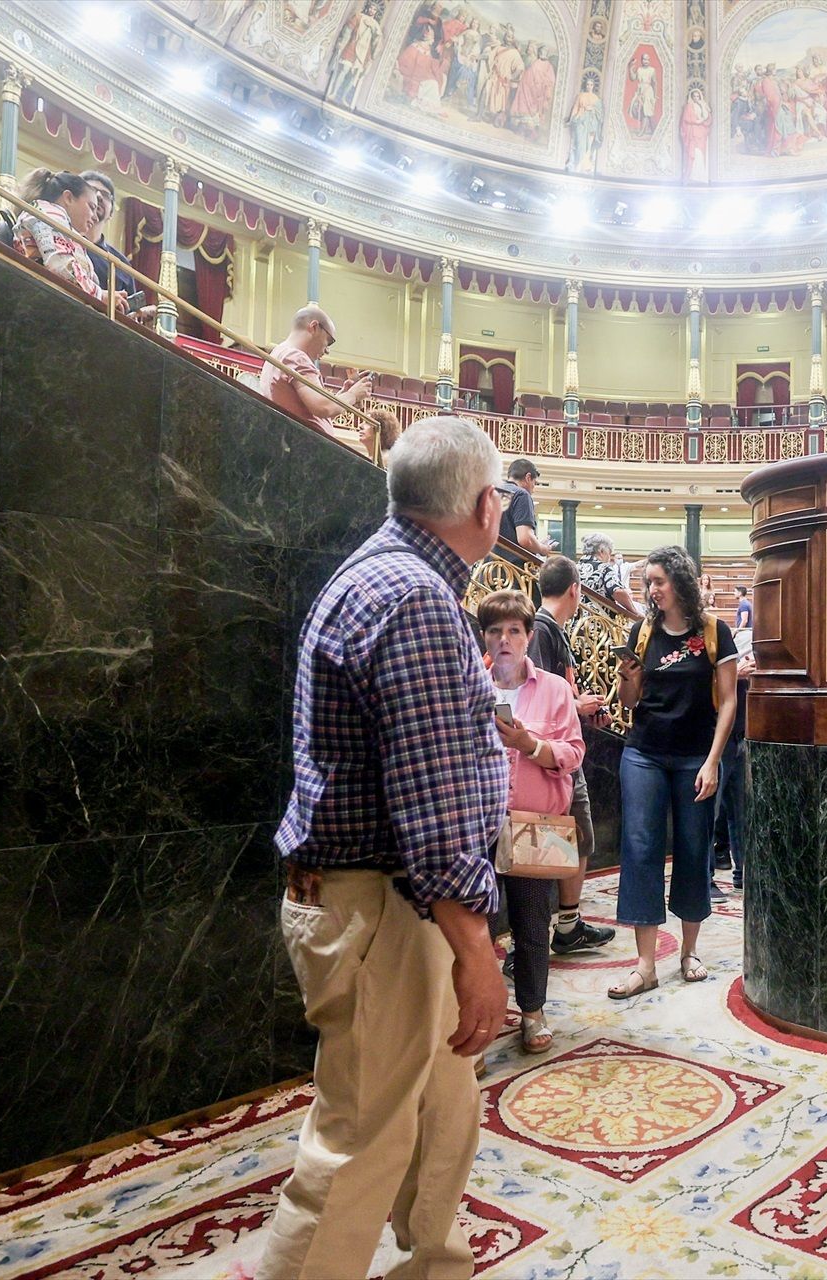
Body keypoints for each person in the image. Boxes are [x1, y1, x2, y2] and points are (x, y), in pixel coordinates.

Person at [259, 416, 510, 1280]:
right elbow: (433, 802)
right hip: (388, 909)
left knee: (443, 1104)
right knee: (360, 1138)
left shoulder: (384, 576)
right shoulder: (416, 600)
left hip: (387, 900)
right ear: (484, 504)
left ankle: (435, 1264)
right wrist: (477, 946)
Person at [608, 546, 738, 1000]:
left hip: (694, 757)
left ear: (679, 582)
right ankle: (644, 965)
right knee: (640, 848)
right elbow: (629, 702)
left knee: (692, 845)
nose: (651, 589)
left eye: (659, 580)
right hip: (643, 752)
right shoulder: (643, 630)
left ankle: (689, 952)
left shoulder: (714, 632)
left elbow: (729, 702)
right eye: (647, 581)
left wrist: (712, 761)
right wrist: (627, 676)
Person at [479, 588, 585, 1055]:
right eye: (495, 630)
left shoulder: (556, 690)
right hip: (476, 825)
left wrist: (529, 745)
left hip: (536, 824)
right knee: (474, 926)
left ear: (527, 636)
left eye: (514, 631)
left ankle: (532, 1011)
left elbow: (573, 752)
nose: (505, 639)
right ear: (484, 637)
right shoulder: (469, 685)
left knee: (531, 922)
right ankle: (475, 1023)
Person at [527, 556, 617, 956]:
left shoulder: (551, 631)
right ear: (575, 590)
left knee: (575, 839)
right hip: (550, 760)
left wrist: (583, 708)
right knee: (558, 842)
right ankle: (541, 934)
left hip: (563, 753)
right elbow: (538, 699)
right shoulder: (542, 631)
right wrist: (577, 708)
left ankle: (566, 924)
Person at [12, 168, 133, 314]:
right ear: (68, 198)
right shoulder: (49, 215)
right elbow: (60, 265)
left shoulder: (66, 230)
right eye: (91, 207)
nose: (94, 216)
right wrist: (100, 295)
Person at [260, 305, 372, 433]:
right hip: (304, 446)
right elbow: (323, 408)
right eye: (329, 341)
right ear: (314, 327)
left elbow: (311, 412)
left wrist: (344, 394)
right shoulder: (296, 357)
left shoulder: (279, 352)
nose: (327, 350)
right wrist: (353, 395)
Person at [711, 638, 756, 898]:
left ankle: (743, 874)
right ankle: (705, 879)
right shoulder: (705, 643)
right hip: (716, 739)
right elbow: (700, 689)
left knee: (741, 812)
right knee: (711, 812)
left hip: (740, 736)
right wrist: (735, 674)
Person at [77, 171, 139, 297]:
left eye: (105, 195)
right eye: (92, 190)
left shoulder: (121, 264)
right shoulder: (61, 238)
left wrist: (139, 314)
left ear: (111, 213)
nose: (99, 196)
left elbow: (126, 310)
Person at [496, 457, 554, 554]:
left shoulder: (493, 491)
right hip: (511, 567)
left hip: (487, 565)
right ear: (528, 477)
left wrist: (536, 543)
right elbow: (525, 539)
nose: (533, 490)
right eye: (534, 483)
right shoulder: (521, 494)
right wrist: (543, 549)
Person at [577, 533, 639, 615]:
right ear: (601, 551)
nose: (610, 557)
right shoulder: (604, 568)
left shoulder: (574, 568)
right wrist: (635, 612)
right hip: (599, 622)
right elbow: (618, 592)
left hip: (575, 621)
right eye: (609, 552)